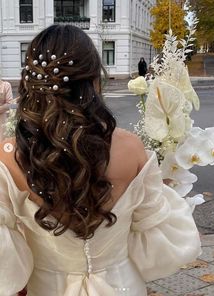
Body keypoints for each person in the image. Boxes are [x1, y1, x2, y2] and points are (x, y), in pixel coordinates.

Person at [0, 25, 201, 296]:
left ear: (32, 83)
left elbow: (7, 260)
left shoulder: (9, 155)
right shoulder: (130, 148)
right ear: (94, 81)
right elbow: (153, 239)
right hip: (122, 286)